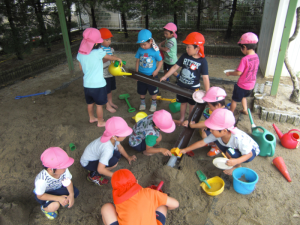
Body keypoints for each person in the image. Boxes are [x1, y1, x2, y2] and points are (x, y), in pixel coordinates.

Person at [179, 108, 260, 175]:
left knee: (229, 152)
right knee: (218, 144)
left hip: (251, 151)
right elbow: (202, 142)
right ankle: (233, 158)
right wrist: (184, 150)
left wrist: (236, 161)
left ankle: (237, 167)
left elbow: (249, 154)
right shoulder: (218, 134)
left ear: (224, 131)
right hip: (235, 146)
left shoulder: (238, 138)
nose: (210, 130)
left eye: (212, 129)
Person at [160, 32, 210, 126]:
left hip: (193, 88)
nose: (186, 49)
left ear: (197, 48)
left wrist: (208, 93)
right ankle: (182, 118)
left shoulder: (203, 61)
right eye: (186, 47)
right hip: (181, 85)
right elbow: (175, 67)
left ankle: (190, 119)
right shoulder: (184, 56)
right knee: (183, 103)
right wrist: (165, 76)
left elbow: (205, 78)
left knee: (192, 104)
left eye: (189, 47)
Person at [77, 28, 122, 127]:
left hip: (87, 84)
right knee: (99, 105)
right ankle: (100, 121)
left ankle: (92, 118)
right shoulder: (98, 52)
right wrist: (118, 58)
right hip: (98, 85)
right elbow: (109, 57)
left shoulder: (80, 53)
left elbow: (81, 68)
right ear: (96, 43)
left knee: (90, 104)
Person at [101, 169, 179, 225]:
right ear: (136, 181)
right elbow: (175, 204)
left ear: (115, 190)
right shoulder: (150, 193)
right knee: (162, 204)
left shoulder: (117, 200)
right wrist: (154, 205)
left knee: (106, 207)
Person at [80, 117, 136, 186]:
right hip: (88, 162)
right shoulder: (108, 149)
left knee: (117, 155)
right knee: (114, 163)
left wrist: (128, 157)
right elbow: (101, 169)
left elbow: (120, 148)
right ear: (114, 136)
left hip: (92, 156)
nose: (126, 135)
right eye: (124, 134)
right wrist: (116, 176)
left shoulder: (112, 138)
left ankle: (96, 169)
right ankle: (93, 175)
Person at [33, 147, 79, 220]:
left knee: (74, 191)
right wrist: (59, 198)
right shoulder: (41, 180)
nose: (66, 168)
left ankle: (62, 199)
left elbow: (68, 181)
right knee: (54, 206)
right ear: (50, 169)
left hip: (58, 187)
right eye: (63, 167)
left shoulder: (64, 170)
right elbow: (40, 196)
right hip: (45, 193)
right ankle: (45, 209)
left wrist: (71, 194)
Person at [182, 87, 227, 157]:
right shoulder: (221, 110)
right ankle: (212, 142)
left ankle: (216, 146)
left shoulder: (219, 115)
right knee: (202, 129)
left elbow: (206, 123)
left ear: (218, 105)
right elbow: (207, 123)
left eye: (209, 105)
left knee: (204, 134)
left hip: (221, 135)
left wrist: (192, 125)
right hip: (217, 129)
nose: (209, 107)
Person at [226, 32, 259, 115]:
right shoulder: (256, 57)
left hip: (242, 85)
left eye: (241, 48)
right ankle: (245, 109)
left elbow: (238, 72)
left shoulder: (245, 59)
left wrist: (229, 73)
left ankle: (230, 113)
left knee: (234, 99)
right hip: (251, 85)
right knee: (244, 97)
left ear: (244, 47)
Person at [135, 29, 163, 112]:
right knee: (141, 90)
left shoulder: (155, 50)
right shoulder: (140, 50)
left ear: (150, 41)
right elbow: (137, 61)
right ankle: (142, 103)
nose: (142, 46)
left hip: (152, 75)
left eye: (144, 44)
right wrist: (137, 73)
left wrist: (157, 70)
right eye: (141, 44)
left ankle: (154, 103)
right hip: (141, 75)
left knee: (153, 91)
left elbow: (160, 61)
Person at [99, 28, 118, 113]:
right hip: (103, 74)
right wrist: (109, 58)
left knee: (110, 89)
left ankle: (110, 102)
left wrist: (116, 60)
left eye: (110, 39)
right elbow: (101, 61)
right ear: (100, 40)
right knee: (105, 90)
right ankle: (107, 106)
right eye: (107, 40)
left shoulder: (110, 49)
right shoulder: (99, 50)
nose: (109, 41)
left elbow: (113, 58)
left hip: (110, 72)